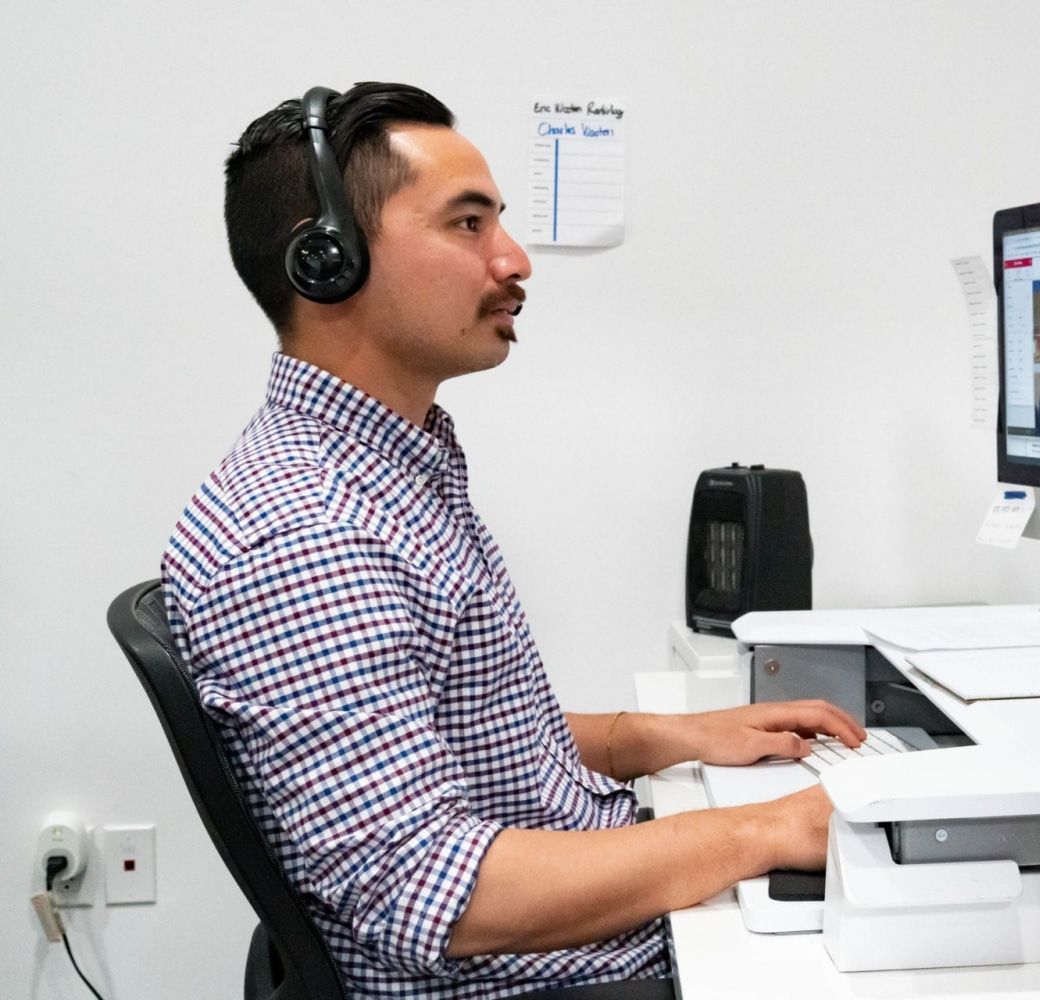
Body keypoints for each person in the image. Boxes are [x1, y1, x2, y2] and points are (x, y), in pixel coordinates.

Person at [161, 82, 864, 999]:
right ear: (326, 262)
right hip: (541, 978)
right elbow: (432, 892)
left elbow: (455, 730)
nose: (514, 258)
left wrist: (661, 736)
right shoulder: (308, 531)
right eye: (466, 225)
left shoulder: (386, 468)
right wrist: (769, 830)